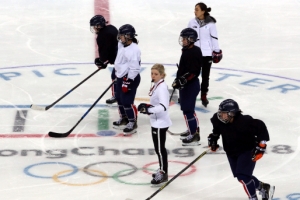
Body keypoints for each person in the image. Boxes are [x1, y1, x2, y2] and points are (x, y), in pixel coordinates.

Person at [208, 99, 275, 200]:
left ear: (232, 113)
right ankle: (263, 187)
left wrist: (261, 147)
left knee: (243, 176)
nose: (221, 115)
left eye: (224, 113)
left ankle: (253, 198)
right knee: (243, 177)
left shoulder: (245, 122)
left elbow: (261, 127)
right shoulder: (217, 120)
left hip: (247, 150)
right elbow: (217, 131)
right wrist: (213, 139)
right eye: (220, 113)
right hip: (231, 151)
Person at [137, 64, 172, 186]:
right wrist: (148, 107)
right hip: (157, 121)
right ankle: (162, 169)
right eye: (152, 73)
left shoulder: (161, 88)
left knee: (160, 149)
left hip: (160, 123)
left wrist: (149, 110)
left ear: (162, 75)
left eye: (156, 74)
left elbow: (163, 106)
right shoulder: (157, 85)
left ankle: (163, 172)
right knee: (159, 148)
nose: (153, 76)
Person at [188, 2, 223, 107]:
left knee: (205, 76)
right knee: (192, 75)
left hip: (207, 53)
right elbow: (187, 36)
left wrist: (216, 51)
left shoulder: (211, 24)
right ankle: (189, 94)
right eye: (194, 9)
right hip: (195, 53)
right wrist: (186, 49)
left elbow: (214, 38)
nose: (195, 11)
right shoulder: (191, 22)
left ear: (203, 11)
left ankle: (204, 95)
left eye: (197, 9)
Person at [172, 28, 202, 146]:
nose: (183, 41)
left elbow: (194, 72)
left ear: (191, 39)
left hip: (191, 85)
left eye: (185, 39)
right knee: (186, 109)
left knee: (188, 110)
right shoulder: (186, 50)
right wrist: (178, 79)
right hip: (186, 85)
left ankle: (194, 134)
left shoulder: (195, 52)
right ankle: (192, 129)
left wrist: (182, 80)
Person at [112, 24, 141, 135]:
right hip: (120, 76)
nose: (120, 37)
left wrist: (127, 81)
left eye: (122, 35)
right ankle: (124, 118)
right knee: (119, 98)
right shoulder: (121, 44)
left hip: (130, 78)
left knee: (127, 101)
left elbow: (135, 68)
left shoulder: (134, 50)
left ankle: (132, 122)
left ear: (128, 36)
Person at [90, 15, 118, 105]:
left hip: (120, 60)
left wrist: (101, 61)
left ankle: (117, 96)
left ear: (98, 26)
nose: (93, 28)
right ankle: (118, 95)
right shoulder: (111, 28)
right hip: (122, 57)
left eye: (94, 26)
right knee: (117, 76)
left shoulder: (101, 36)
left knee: (115, 76)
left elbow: (105, 52)